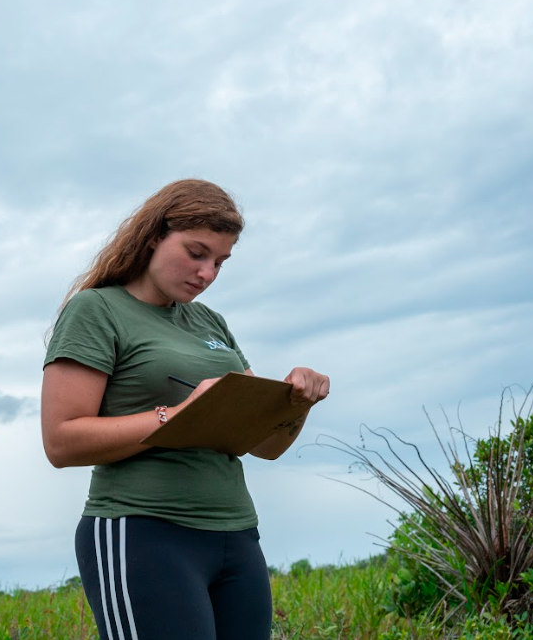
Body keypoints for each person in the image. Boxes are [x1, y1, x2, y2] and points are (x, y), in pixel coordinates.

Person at [40, 179, 329, 640]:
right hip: (143, 533)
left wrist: (297, 404)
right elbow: (61, 441)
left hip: (236, 535)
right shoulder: (97, 310)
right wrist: (177, 413)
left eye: (220, 262)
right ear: (154, 235)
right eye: (197, 253)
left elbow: (265, 445)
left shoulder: (210, 322)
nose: (208, 273)